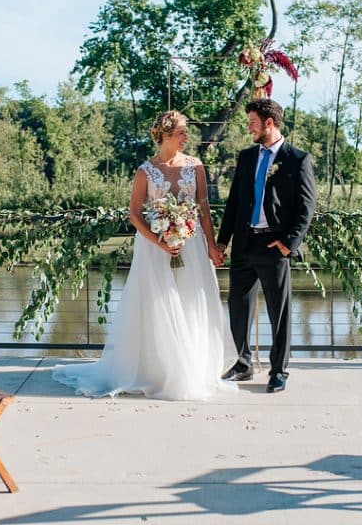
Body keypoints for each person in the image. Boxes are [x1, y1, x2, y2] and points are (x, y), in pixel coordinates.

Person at [53, 111, 237, 400]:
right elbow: (135, 215)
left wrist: (212, 246)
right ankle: (158, 372)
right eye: (181, 132)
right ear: (166, 135)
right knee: (158, 306)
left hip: (192, 247)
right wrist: (160, 243)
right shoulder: (145, 171)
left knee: (191, 302)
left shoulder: (196, 166)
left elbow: (203, 210)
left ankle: (192, 370)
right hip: (154, 249)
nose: (186, 137)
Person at [216, 98, 316, 393]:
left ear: (269, 123)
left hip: (274, 246)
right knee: (238, 306)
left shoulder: (297, 159)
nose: (249, 127)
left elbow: (307, 208)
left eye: (253, 123)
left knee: (278, 312)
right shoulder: (247, 157)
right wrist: (222, 242)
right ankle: (242, 364)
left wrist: (288, 243)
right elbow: (234, 203)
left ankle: (279, 371)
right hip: (244, 243)